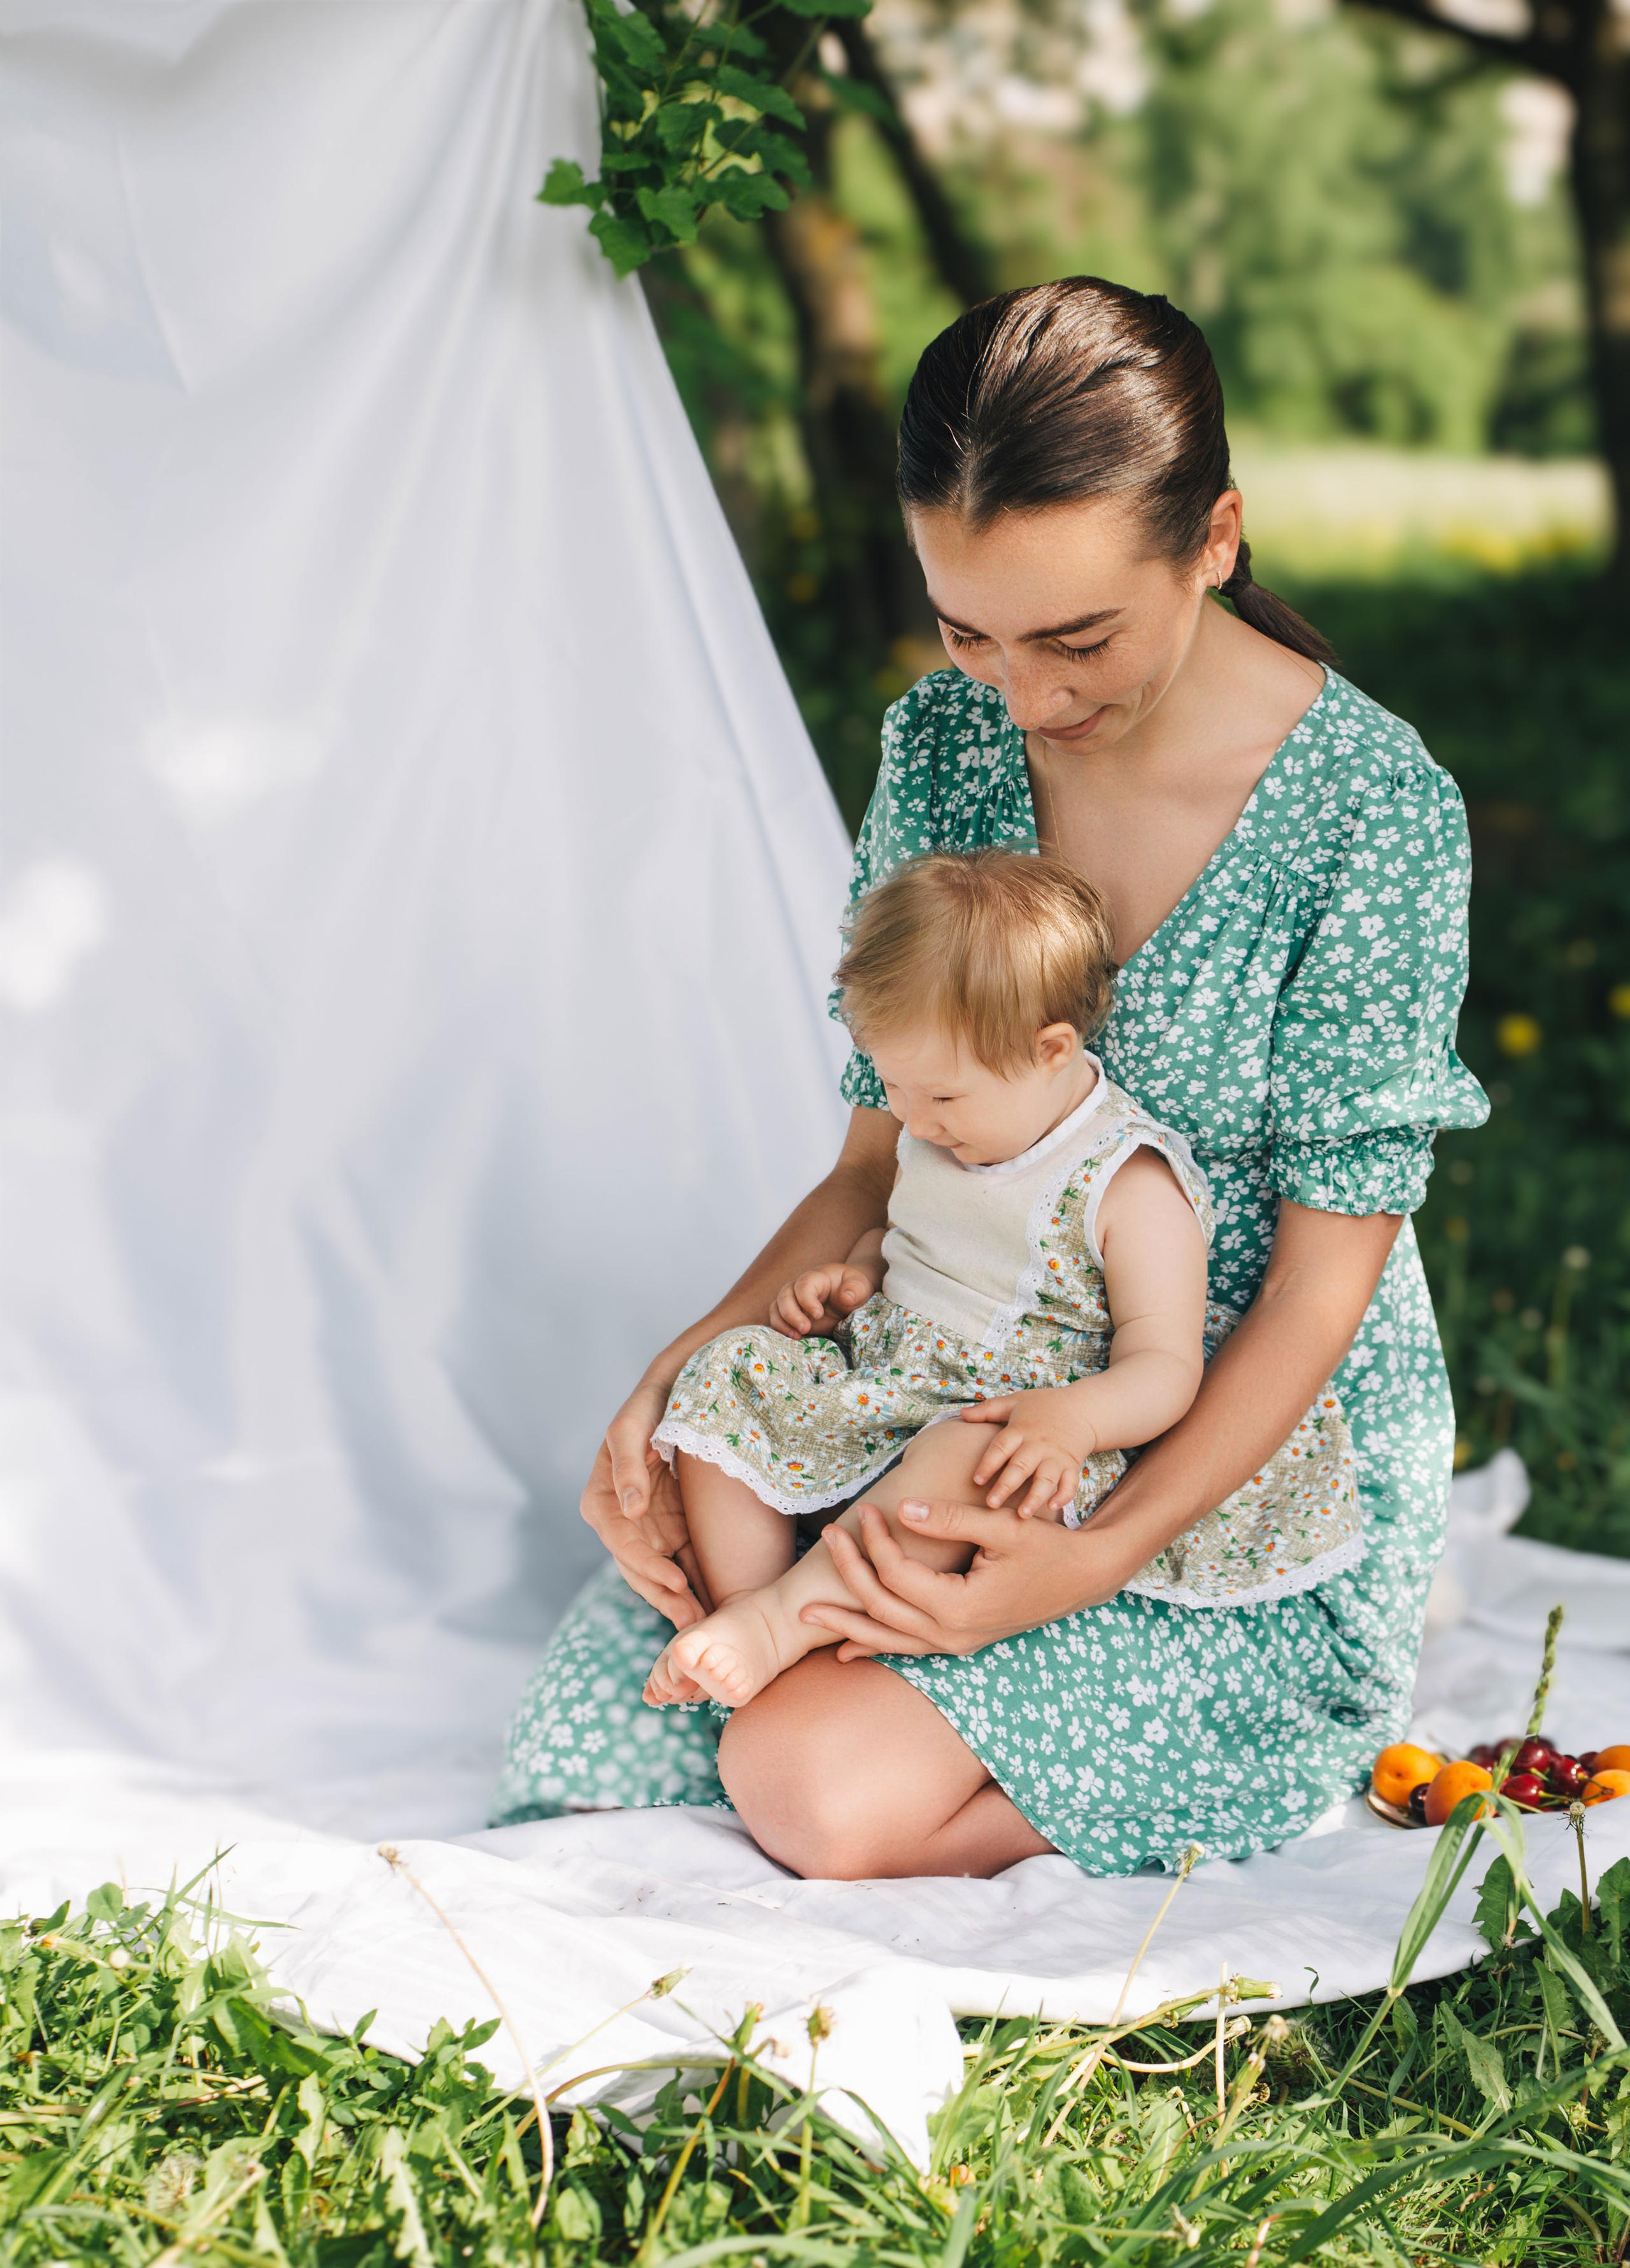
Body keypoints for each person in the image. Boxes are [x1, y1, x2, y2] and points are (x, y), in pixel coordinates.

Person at [494, 275, 1487, 1881]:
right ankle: (871, 1648)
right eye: (971, 631)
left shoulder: (1370, 813)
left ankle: (1209, 1731)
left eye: (1077, 637)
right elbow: (874, 1169)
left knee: (803, 1783)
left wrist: (1089, 1561)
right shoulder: (946, 747)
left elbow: (1314, 1295)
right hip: (953, 1369)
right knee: (710, 1541)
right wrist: (681, 1369)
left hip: (1210, 1456)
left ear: (1214, 537)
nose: (1025, 698)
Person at [644, 848, 1364, 1713]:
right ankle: (756, 1606)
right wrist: (856, 1274)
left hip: (1015, 1417)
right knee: (730, 1367)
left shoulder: (1125, 1184)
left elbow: (1168, 1368)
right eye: (895, 1089)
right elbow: (915, 1235)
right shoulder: (940, 1124)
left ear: (1050, 1049)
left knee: (968, 1458)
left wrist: (1073, 1420)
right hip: (892, 1379)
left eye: (941, 1098)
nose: (913, 1120)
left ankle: (777, 1628)